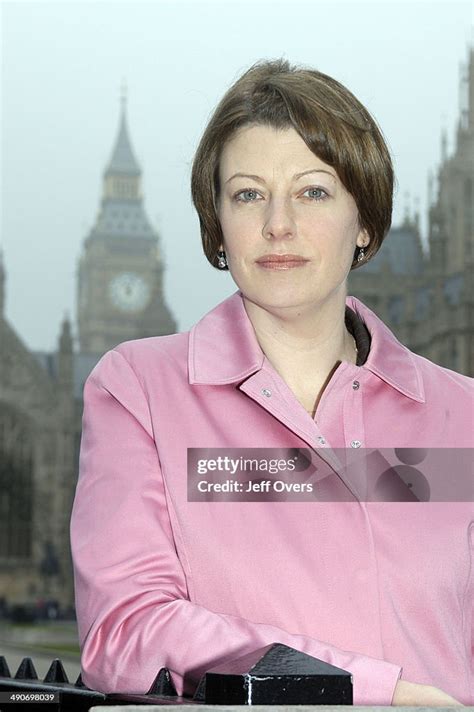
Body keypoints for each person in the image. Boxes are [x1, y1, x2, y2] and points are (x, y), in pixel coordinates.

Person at [70, 58, 473, 706]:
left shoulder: (462, 414)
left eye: (313, 191)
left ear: (365, 222)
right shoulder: (140, 391)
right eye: (249, 193)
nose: (277, 223)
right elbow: (127, 633)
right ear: (218, 225)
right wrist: (385, 694)